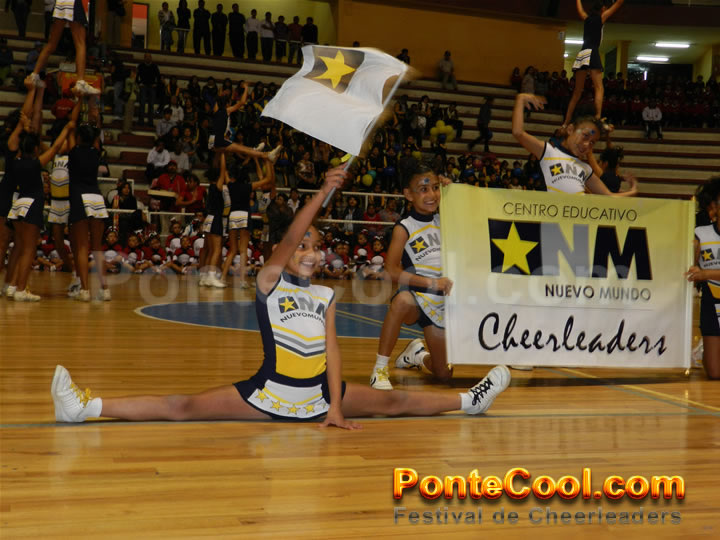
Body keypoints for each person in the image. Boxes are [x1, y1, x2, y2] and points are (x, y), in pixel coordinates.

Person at [50, 166, 512, 426]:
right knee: (181, 407)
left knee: (395, 403)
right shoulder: (270, 282)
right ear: (286, 254)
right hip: (267, 394)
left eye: (316, 247)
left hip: (319, 399)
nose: (310, 253)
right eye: (302, 247)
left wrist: (335, 407)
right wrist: (325, 190)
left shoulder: (327, 295)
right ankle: (85, 407)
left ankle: (470, 400)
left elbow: (332, 352)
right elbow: (291, 234)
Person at [370, 163, 454, 389]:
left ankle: (416, 355)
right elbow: (391, 270)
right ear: (408, 194)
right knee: (401, 301)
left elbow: (468, 212)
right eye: (423, 189)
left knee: (443, 374)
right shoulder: (404, 227)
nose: (432, 195)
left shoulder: (445, 219)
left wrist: (452, 192)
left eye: (435, 188)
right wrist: (431, 283)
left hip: (440, 303)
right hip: (416, 298)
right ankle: (380, 368)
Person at [6, 105, 75, 301]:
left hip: (17, 206)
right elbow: (55, 148)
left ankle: (13, 286)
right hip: (31, 206)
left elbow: (20, 143)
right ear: (35, 149)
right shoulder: (36, 163)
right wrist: (67, 129)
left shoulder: (16, 161)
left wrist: (25, 127)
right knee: (29, 250)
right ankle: (21, 290)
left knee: (20, 247)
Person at [512, 93, 637, 196]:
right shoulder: (548, 151)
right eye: (585, 136)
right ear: (570, 129)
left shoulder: (586, 168)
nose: (587, 145)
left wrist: (633, 191)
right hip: (550, 218)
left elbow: (608, 196)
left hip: (576, 219)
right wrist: (521, 99)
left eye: (592, 142)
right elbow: (518, 132)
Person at [563, 0, 625, 126]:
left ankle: (566, 122)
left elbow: (580, 11)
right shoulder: (601, 17)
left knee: (577, 92)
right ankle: (597, 118)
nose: (606, 9)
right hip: (592, 50)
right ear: (602, 9)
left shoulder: (586, 18)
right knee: (599, 88)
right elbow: (618, 3)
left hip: (583, 52)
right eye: (605, 8)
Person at [220, 156, 275, 285]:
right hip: (244, 216)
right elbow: (268, 179)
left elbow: (224, 171)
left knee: (232, 250)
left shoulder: (231, 185)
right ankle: (242, 280)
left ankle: (222, 278)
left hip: (233, 216)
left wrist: (223, 154)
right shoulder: (249, 186)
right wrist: (268, 161)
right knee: (243, 250)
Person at [686, 176, 720, 380]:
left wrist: (706, 273)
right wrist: (692, 263)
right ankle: (704, 350)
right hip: (711, 301)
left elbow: (703, 273)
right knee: (715, 374)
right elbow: (690, 266)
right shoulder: (701, 233)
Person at [26, 0, 99, 96]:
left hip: (61, 2)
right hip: (75, 2)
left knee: (51, 44)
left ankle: (34, 75)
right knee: (80, 44)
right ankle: (80, 82)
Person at [137, 53, 160, 127]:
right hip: (143, 86)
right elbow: (137, 76)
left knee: (151, 105)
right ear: (144, 58)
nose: (148, 58)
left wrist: (156, 84)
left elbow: (158, 76)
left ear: (151, 58)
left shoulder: (154, 66)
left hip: (152, 86)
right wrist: (139, 83)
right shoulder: (140, 66)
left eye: (149, 57)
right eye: (146, 57)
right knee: (142, 104)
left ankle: (150, 122)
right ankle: (141, 121)